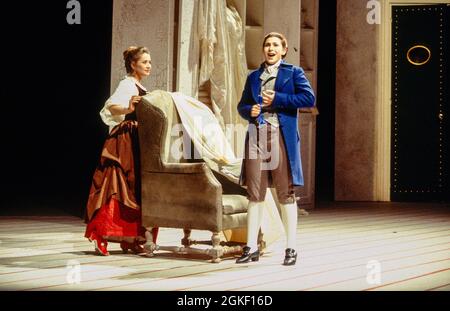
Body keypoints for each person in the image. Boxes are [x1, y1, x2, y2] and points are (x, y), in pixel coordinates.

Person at [236, 32, 315, 265]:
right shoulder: (254, 76)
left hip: (279, 135)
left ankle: (291, 248)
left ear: (284, 50)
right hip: (255, 135)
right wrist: (248, 110)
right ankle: (250, 247)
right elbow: (242, 105)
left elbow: (308, 99)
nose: (270, 49)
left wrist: (278, 99)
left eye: (275, 45)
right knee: (254, 192)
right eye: (267, 45)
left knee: (285, 193)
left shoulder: (294, 73)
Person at [84, 46, 159, 256]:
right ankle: (101, 235)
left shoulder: (139, 86)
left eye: (150, 62)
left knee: (135, 189)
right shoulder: (127, 84)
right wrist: (128, 109)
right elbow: (111, 107)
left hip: (138, 139)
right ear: (133, 64)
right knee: (117, 186)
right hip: (124, 141)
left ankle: (132, 237)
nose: (149, 66)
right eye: (144, 62)